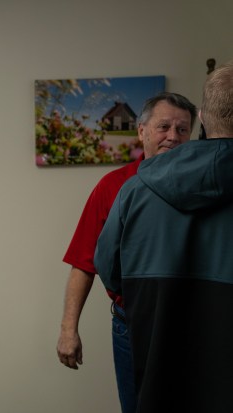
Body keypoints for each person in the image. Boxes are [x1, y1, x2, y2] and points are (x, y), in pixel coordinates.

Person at [95, 61, 233, 412]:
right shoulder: (123, 185)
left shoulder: (136, 187)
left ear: (201, 117)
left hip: (156, 352)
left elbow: (109, 269)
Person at [57, 92, 197, 413]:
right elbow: (84, 262)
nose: (173, 137)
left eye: (183, 129)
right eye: (164, 127)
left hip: (193, 321)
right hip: (131, 324)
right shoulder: (113, 186)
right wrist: (68, 331)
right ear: (141, 131)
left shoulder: (205, 185)